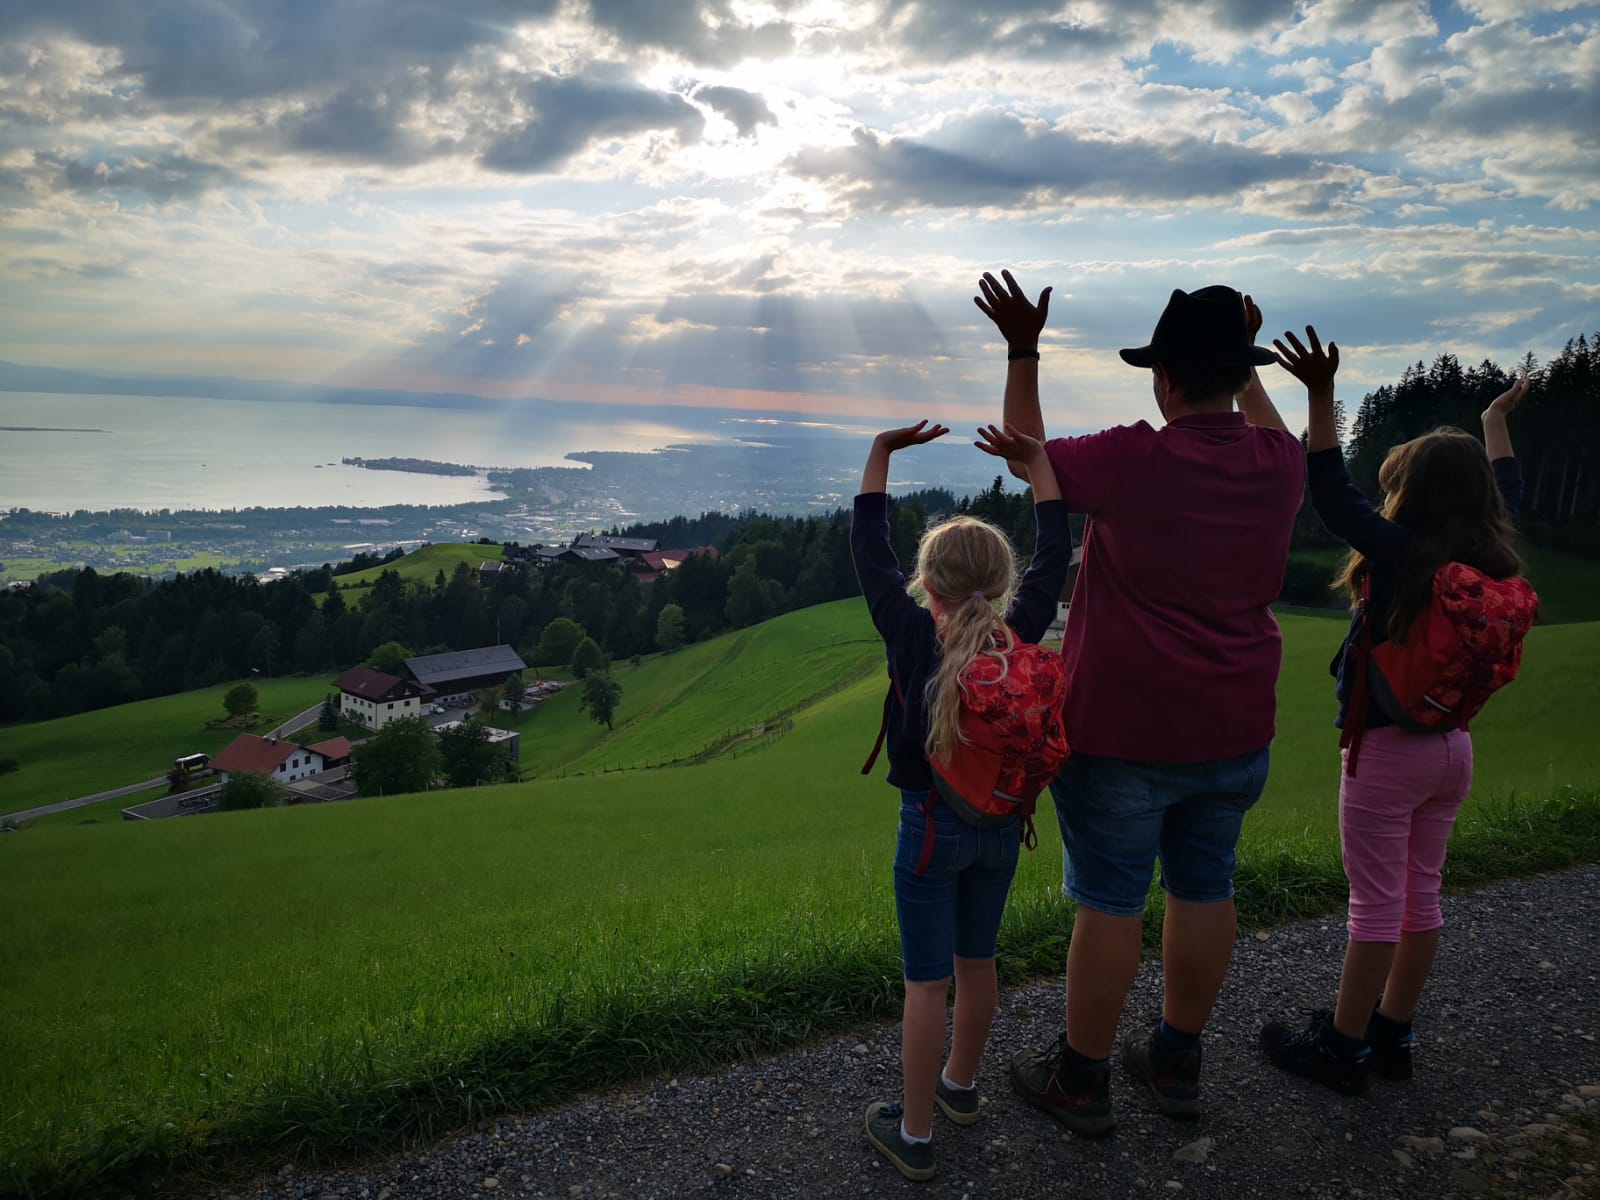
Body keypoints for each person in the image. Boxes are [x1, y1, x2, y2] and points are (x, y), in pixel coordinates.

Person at [974, 272, 1304, 1133]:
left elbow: (1026, 455)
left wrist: (1021, 347)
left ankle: (1081, 1079)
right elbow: (1264, 421)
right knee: (1205, 887)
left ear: (1163, 379)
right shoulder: (1279, 463)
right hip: (1235, 725)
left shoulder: (1135, 457)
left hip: (1122, 729)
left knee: (1111, 900)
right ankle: (1175, 1059)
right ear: (1236, 373)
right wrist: (1246, 358)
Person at [1260, 329, 1530, 1093]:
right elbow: (1512, 486)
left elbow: (1331, 494)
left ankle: (1341, 1049)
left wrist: (1318, 394)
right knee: (1421, 893)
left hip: (1385, 752)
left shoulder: (1402, 552)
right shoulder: (1492, 552)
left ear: (1410, 495)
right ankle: (1393, 1035)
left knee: (1375, 903)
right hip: (1452, 750)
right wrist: (1493, 423)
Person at [851, 418, 1073, 1181]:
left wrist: (880, 454)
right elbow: (1056, 555)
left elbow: (868, 554)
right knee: (977, 965)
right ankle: (960, 1088)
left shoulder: (913, 636)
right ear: (1004, 585)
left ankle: (913, 1136)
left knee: (925, 983)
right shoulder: (1023, 634)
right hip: (1003, 827)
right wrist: (1041, 467)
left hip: (929, 830)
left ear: (929, 583)